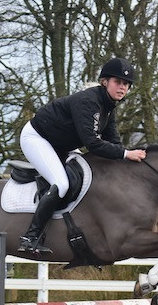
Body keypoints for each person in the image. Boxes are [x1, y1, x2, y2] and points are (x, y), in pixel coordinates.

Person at [17, 57, 146, 254]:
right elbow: (93, 143)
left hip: (61, 144)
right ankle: (30, 237)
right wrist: (126, 154)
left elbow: (113, 141)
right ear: (105, 82)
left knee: (85, 176)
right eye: (118, 82)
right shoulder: (89, 101)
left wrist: (126, 161)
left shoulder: (108, 107)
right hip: (38, 138)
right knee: (61, 184)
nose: (122, 87)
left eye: (126, 84)